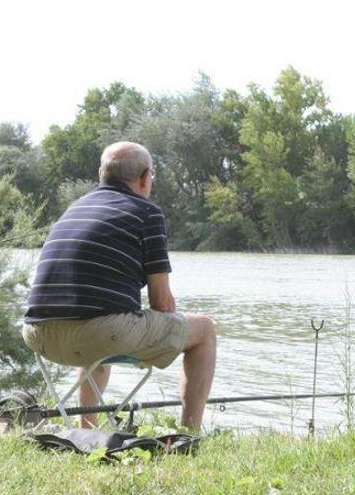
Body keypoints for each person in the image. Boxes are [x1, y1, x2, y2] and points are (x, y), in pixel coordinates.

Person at [21, 141, 216, 430]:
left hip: (38, 335)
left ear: (102, 174)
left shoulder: (73, 209)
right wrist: (174, 320)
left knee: (103, 318)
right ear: (145, 177)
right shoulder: (147, 213)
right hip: (98, 334)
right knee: (204, 330)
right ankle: (189, 434)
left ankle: (87, 428)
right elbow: (162, 303)